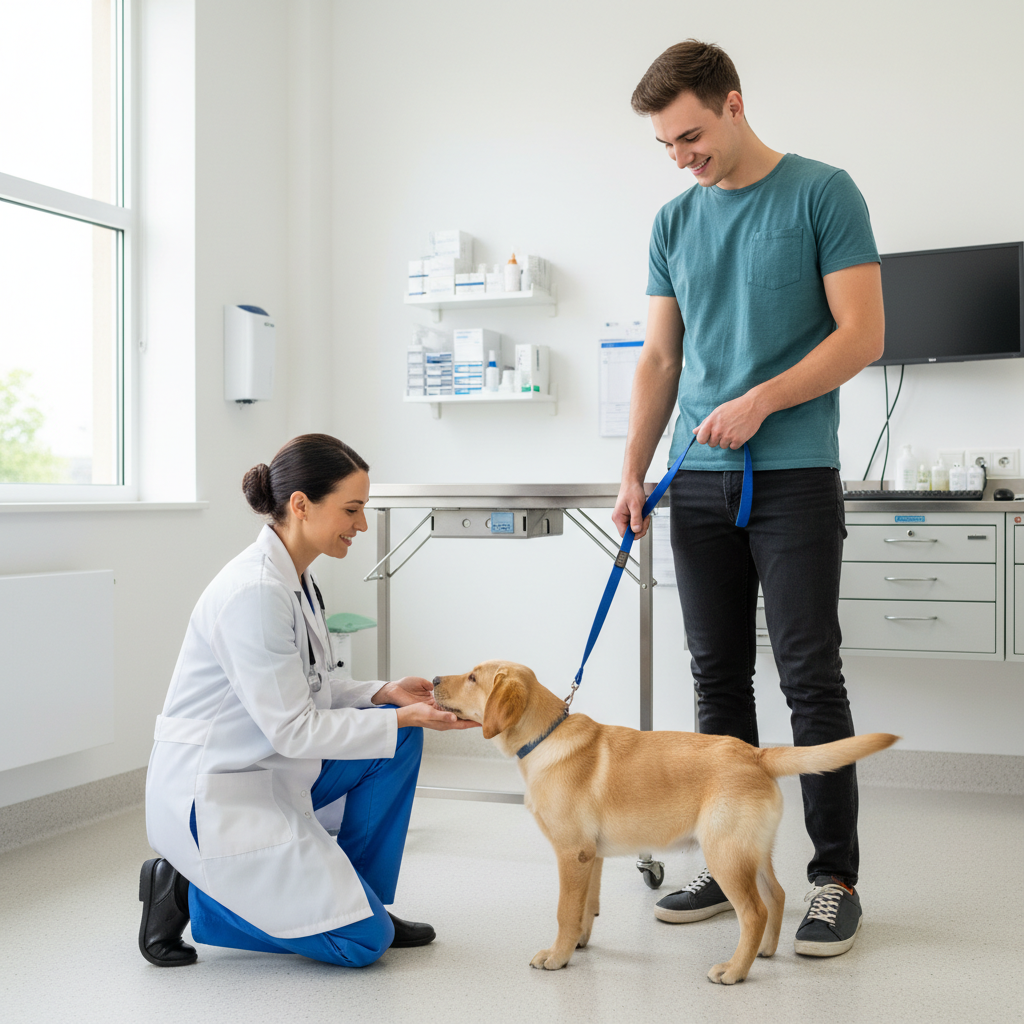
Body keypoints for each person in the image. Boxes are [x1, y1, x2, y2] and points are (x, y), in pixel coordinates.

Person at [612, 40, 884, 957]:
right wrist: (633, 471)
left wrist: (764, 398)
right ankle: (730, 867)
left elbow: (863, 335)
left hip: (795, 474)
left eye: (691, 135)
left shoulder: (822, 193)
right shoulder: (672, 222)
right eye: (666, 146)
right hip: (695, 481)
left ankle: (833, 878)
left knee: (810, 679)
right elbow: (659, 359)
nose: (682, 156)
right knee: (717, 679)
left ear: (734, 103)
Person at [139, 433, 477, 968]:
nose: (361, 526)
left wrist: (384, 694)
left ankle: (360, 898)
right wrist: (400, 714)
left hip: (268, 768)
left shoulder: (295, 579)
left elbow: (309, 689)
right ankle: (185, 890)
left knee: (400, 732)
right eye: (351, 509)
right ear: (301, 504)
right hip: (217, 794)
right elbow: (294, 729)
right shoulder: (254, 593)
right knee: (361, 945)